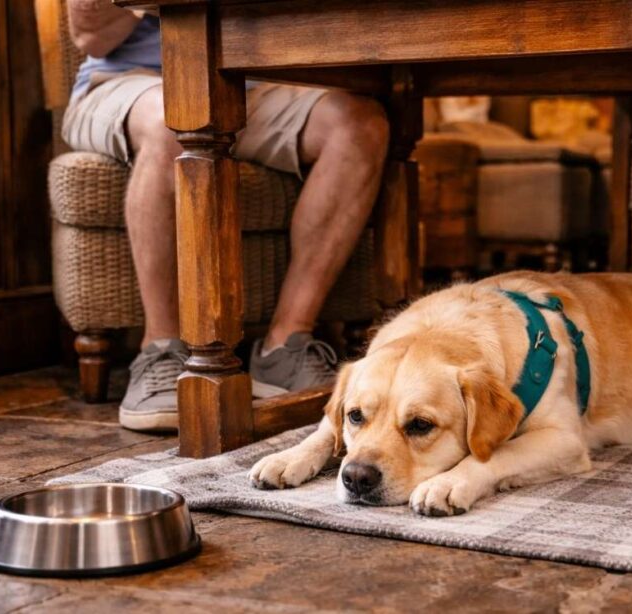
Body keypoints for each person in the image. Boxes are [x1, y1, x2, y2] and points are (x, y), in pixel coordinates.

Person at [65, 1, 390, 432]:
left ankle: (285, 347)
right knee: (176, 119)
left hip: (251, 81)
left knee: (360, 125)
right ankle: (160, 349)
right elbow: (91, 35)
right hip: (127, 80)